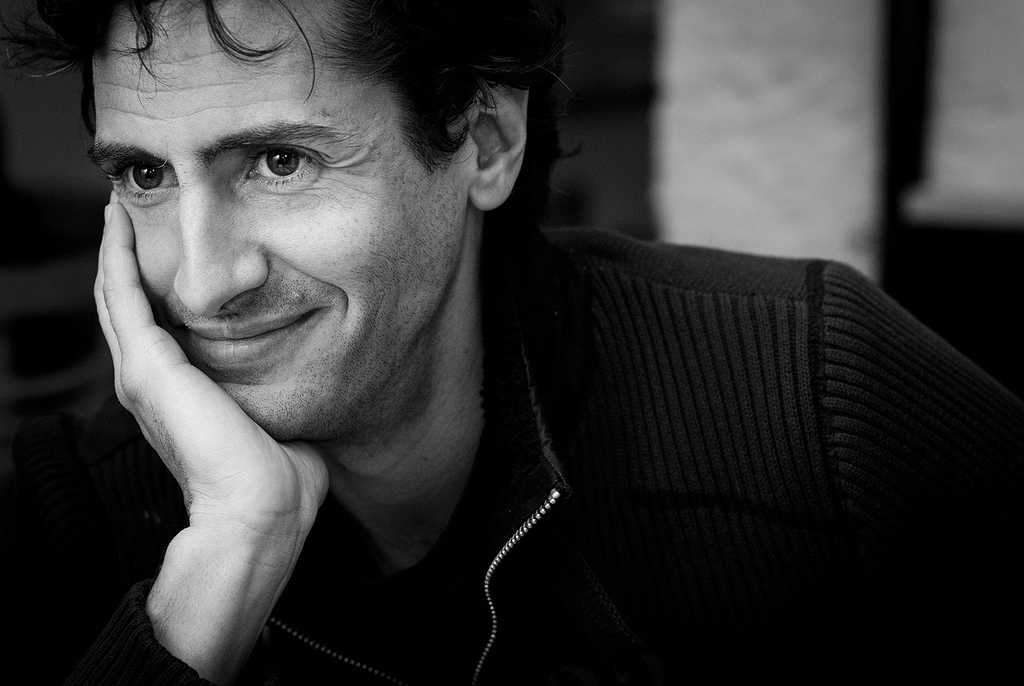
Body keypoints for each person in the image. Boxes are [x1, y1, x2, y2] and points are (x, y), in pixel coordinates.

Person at [2, 1, 1022, 684]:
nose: (202, 280)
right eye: (144, 176)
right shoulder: (77, 514)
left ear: (485, 141)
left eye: (279, 161)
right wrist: (224, 558)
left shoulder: (808, 394)